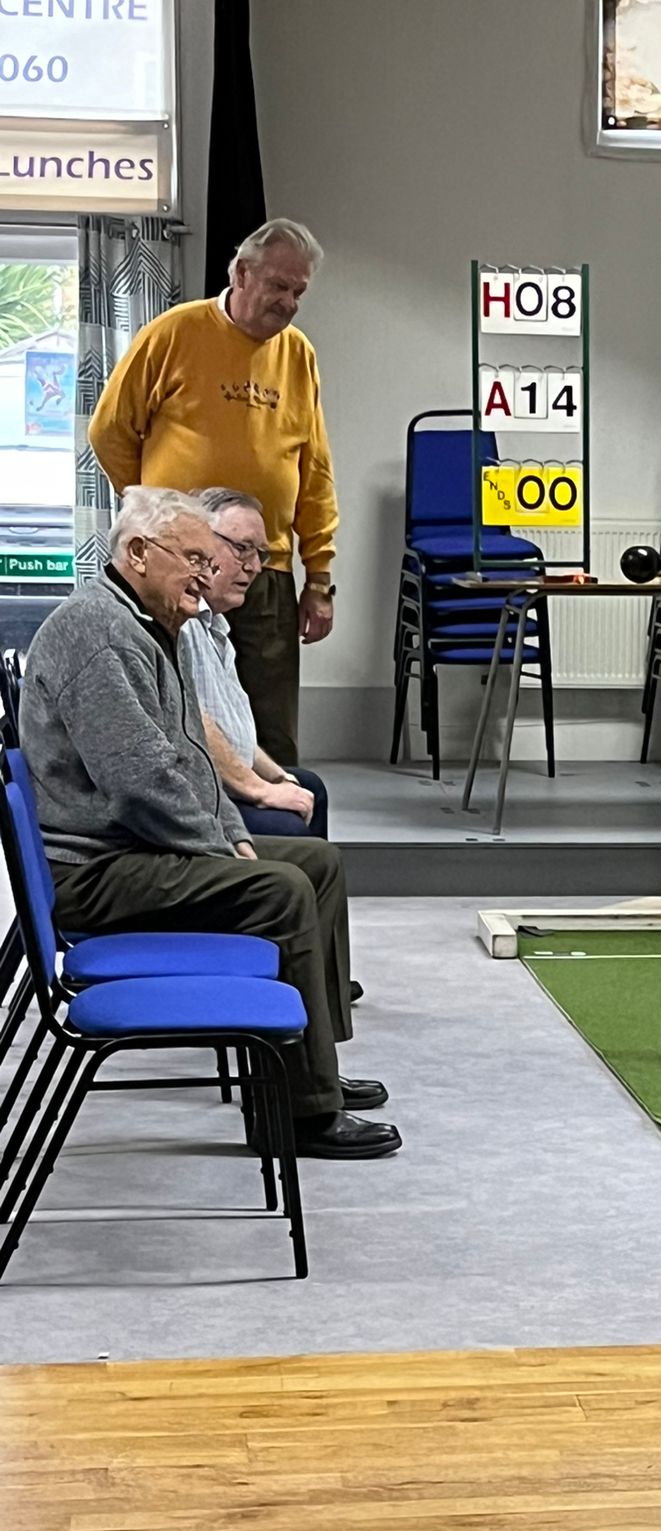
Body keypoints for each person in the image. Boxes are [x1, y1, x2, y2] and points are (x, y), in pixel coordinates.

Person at [18, 487, 399, 1161]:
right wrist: (226, 852)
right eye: (192, 556)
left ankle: (314, 1065)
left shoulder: (148, 626)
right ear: (137, 553)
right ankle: (303, 1112)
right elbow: (142, 783)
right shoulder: (96, 632)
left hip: (127, 854)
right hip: (93, 875)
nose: (206, 571)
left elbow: (190, 755)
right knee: (278, 888)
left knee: (317, 864)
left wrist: (235, 836)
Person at [87, 219, 337, 769]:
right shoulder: (174, 333)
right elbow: (110, 430)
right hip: (181, 565)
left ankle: (277, 833)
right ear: (241, 273)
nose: (290, 303)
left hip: (264, 570)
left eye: (299, 291)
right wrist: (153, 518)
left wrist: (319, 577)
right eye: (279, 286)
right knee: (179, 712)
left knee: (270, 727)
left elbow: (314, 469)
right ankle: (201, 839)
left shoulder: (298, 355)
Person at [183, 487, 330, 842]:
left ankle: (311, 896)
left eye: (260, 553)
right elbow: (195, 727)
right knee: (289, 824)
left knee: (309, 787)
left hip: (225, 776)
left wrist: (278, 777)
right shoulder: (182, 623)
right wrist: (260, 789)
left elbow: (237, 733)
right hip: (198, 794)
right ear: (199, 544)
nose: (253, 566)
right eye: (241, 548)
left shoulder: (216, 624)